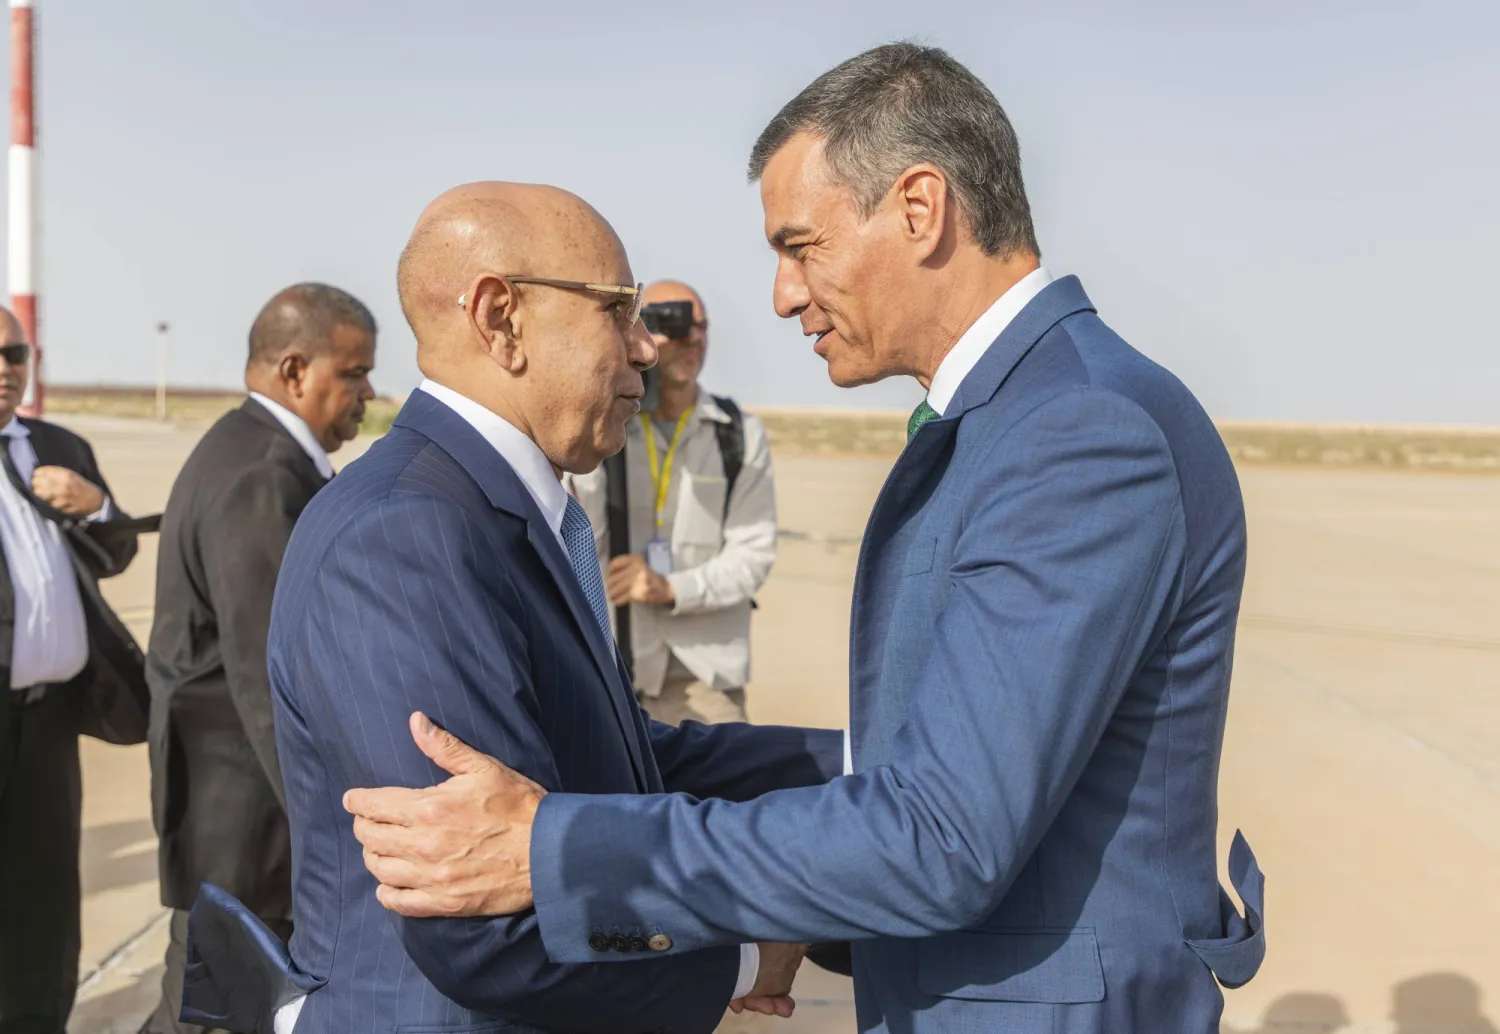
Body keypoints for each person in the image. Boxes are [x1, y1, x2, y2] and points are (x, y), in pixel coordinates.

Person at [344, 44, 1267, 1033]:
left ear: (920, 209)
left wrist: (554, 849)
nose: (783, 294)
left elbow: (942, 835)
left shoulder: (1078, 432)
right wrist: (662, 779)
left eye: (801, 245)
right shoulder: (1028, 412)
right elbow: (930, 757)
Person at [179, 183, 842, 1034]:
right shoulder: (403, 535)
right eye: (619, 311)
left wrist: (869, 765)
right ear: (500, 319)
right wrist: (743, 955)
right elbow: (489, 932)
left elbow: (621, 764)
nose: (644, 348)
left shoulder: (503, 511)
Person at [140, 284, 377, 1034]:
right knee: (215, 1019)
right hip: (251, 832)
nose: (368, 393)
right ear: (295, 369)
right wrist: (334, 834)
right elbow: (270, 678)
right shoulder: (261, 474)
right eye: (355, 373)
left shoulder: (254, 451)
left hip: (241, 826)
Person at [0, 307, 148, 1034]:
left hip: (51, 716)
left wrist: (97, 508)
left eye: (14, 351)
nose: (4, 366)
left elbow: (115, 553)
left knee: (48, 891)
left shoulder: (58, 445)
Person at [566, 279, 776, 725]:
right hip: (619, 668)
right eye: (671, 323)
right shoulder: (608, 429)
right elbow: (585, 540)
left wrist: (673, 589)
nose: (690, 338)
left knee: (723, 793)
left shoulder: (736, 433)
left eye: (700, 325)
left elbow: (753, 555)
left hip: (707, 678)